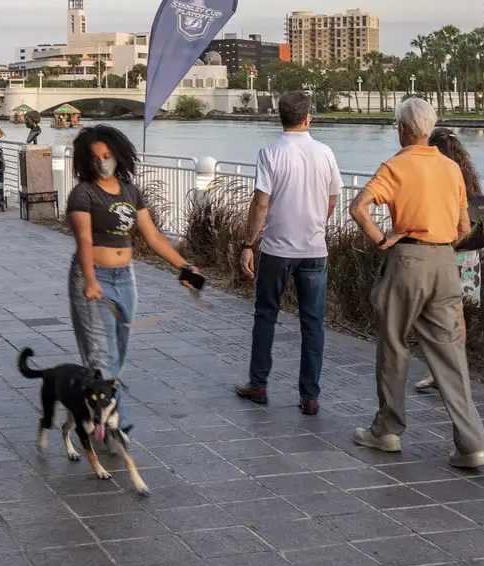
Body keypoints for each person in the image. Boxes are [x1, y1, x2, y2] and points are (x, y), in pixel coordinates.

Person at [348, 98, 484, 469]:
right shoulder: (451, 168)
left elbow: (359, 206)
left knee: (394, 344)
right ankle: (472, 444)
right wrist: (441, 246)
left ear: (403, 129)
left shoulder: (395, 166)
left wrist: (381, 239)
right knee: (451, 352)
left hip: (406, 259)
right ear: (428, 128)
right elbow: (463, 227)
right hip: (445, 262)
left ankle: (387, 430)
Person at [64, 125, 200, 423]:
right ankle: (115, 424)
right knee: (102, 356)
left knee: (119, 353)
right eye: (95, 157)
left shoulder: (129, 191)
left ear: (119, 155)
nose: (103, 162)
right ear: (85, 162)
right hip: (93, 278)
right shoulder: (82, 194)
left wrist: (184, 266)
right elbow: (84, 239)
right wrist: (88, 279)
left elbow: (153, 236)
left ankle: (92, 407)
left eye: (108, 155)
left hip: (125, 278)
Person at [232, 91, 341, 416]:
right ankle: (309, 396)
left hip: (277, 249)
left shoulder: (270, 153)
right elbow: (333, 197)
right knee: (313, 323)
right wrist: (318, 224)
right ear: (308, 117)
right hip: (314, 250)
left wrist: (248, 244)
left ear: (280, 117)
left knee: (266, 314)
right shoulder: (325, 152)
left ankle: (259, 384)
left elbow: (261, 202)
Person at [420, 128, 483, 392]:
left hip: (445, 250)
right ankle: (456, 370)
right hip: (468, 253)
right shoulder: (469, 178)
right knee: (457, 315)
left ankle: (440, 374)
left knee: (437, 315)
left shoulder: (439, 175)